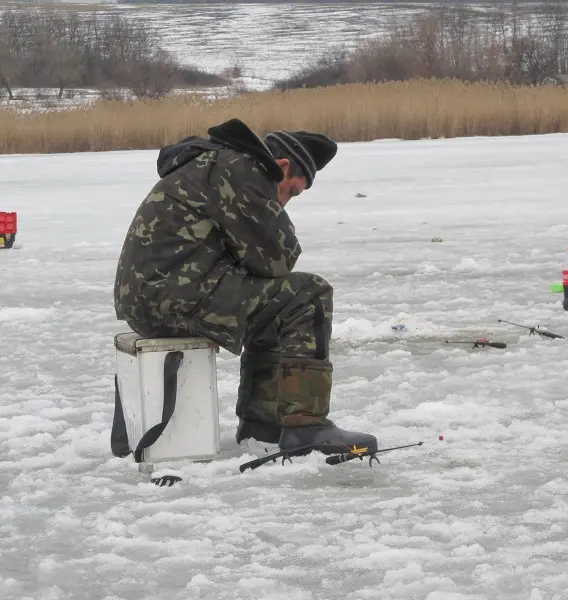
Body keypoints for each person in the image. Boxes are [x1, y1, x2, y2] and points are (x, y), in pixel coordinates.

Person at [114, 118, 377, 456]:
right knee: (308, 294)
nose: (285, 202)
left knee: (270, 302)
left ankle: (262, 424)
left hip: (155, 297)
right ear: (281, 167)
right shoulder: (243, 169)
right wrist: (270, 214)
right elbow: (278, 256)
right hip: (172, 296)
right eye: (291, 191)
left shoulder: (215, 164)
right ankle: (305, 424)